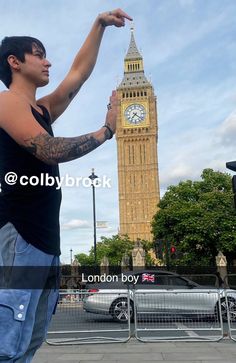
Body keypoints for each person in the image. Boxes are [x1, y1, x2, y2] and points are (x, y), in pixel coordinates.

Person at [0, 8, 132, 362]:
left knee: (29, 341)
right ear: (14, 61)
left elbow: (77, 75)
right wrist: (105, 131)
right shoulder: (5, 103)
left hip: (46, 242)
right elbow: (47, 150)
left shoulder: (40, 109)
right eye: (39, 55)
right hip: (21, 237)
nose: (48, 63)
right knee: (7, 342)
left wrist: (99, 25)